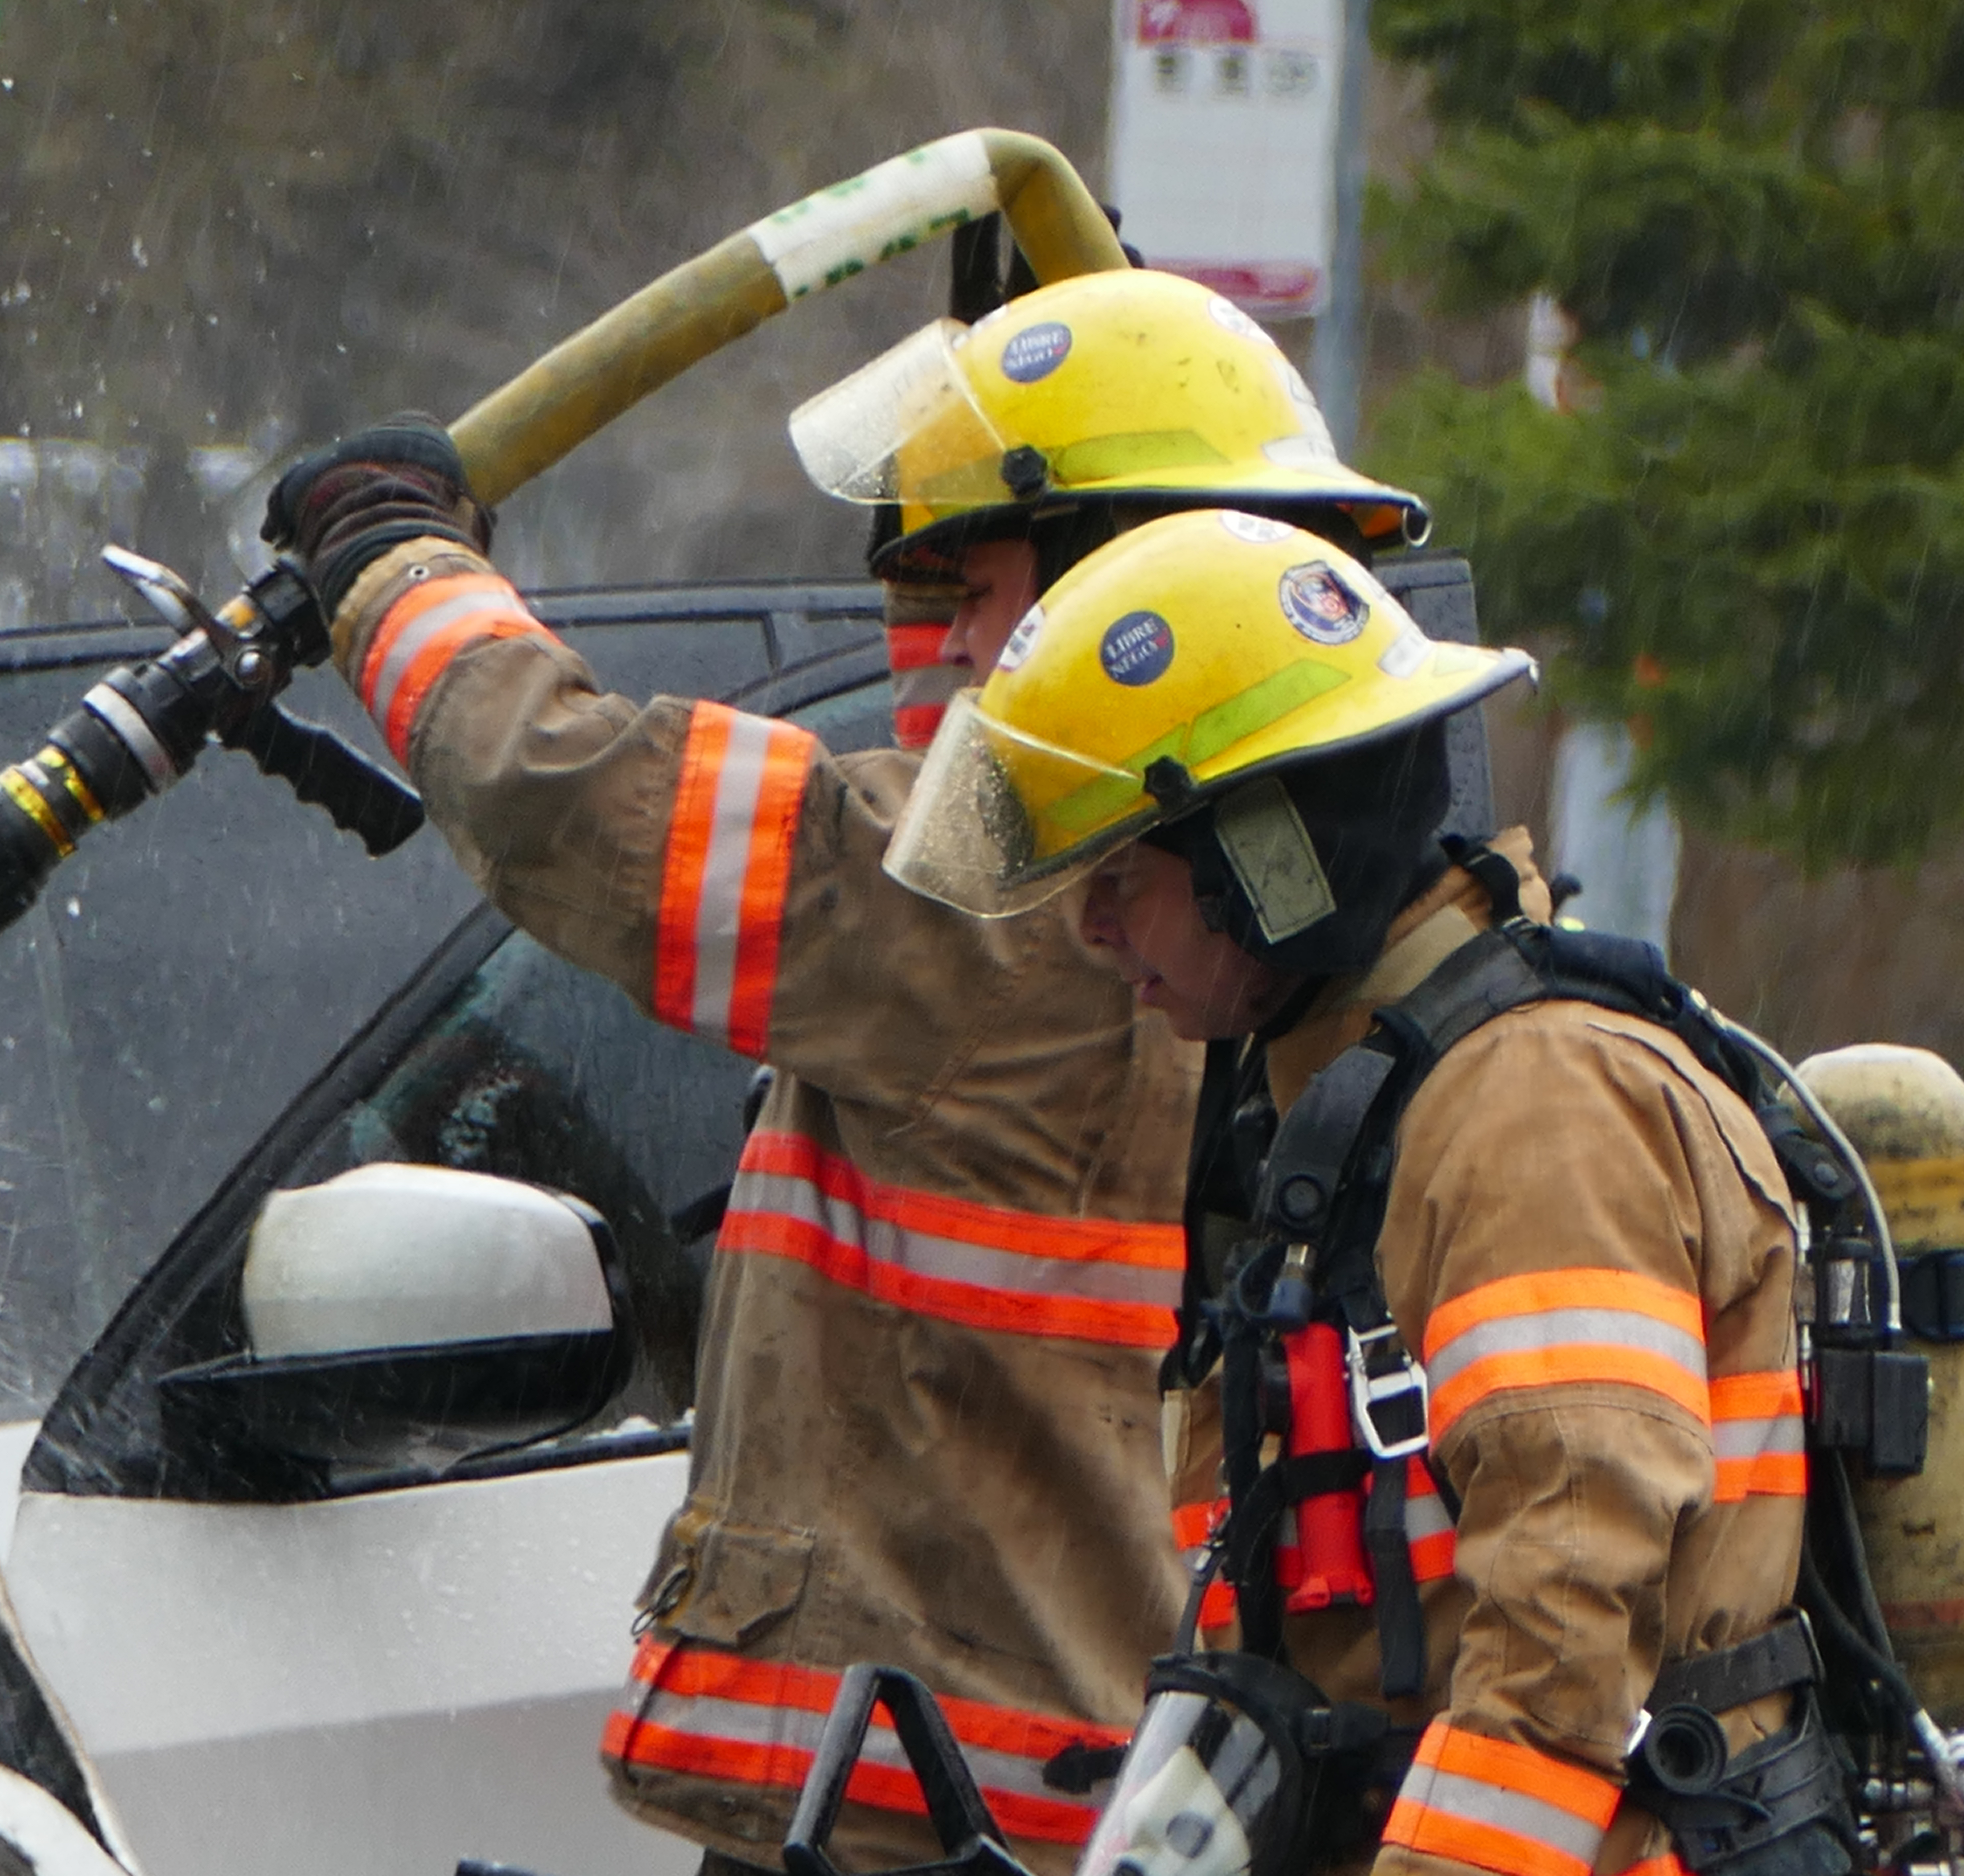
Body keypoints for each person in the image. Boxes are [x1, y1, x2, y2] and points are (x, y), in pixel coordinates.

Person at [259, 267, 1430, 1876]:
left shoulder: (992, 898)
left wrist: (389, 557)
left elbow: (566, 793)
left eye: (979, 579)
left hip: (929, 1782)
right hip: (1106, 1784)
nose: (946, 632)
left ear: (1120, 585)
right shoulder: (1296, 924)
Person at [881, 508, 1841, 1876]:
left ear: (1267, 859)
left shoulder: (1535, 1108)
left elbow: (1563, 1644)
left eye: (1124, 875)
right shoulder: (1358, 1108)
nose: (1091, 929)